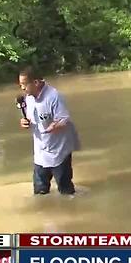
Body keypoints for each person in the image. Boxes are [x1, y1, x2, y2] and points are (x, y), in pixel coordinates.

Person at [18, 66, 80, 195]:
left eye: (24, 84)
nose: (22, 88)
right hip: (40, 152)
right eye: (20, 85)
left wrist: (52, 127)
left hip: (59, 151)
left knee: (66, 191)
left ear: (36, 82)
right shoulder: (28, 98)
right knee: (40, 191)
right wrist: (25, 122)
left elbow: (64, 119)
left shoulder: (54, 96)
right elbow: (30, 117)